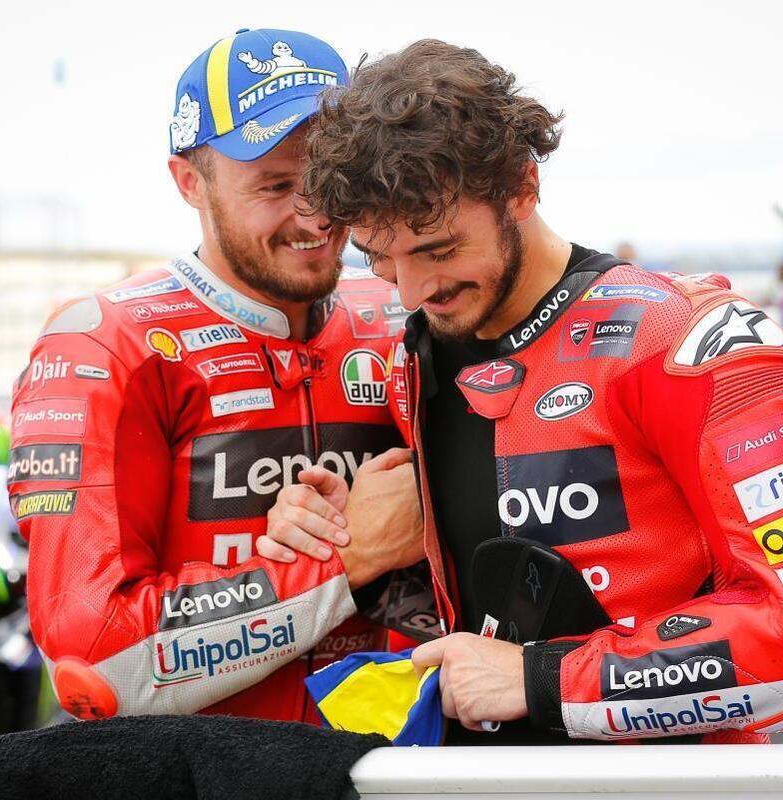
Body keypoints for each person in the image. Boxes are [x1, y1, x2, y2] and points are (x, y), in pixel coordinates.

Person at [265, 39, 783, 743]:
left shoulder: (688, 340)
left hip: (673, 782)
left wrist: (542, 680)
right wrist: (349, 540)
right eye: (380, 258)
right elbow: (482, 607)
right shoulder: (414, 358)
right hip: (487, 777)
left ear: (521, 187)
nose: (413, 291)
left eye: (439, 249)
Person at [7, 27, 423, 723]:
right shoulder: (106, 344)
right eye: (276, 185)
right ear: (189, 182)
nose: (315, 215)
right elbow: (96, 664)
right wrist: (343, 563)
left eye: (332, 179)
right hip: (194, 770)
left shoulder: (404, 313)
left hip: (390, 765)